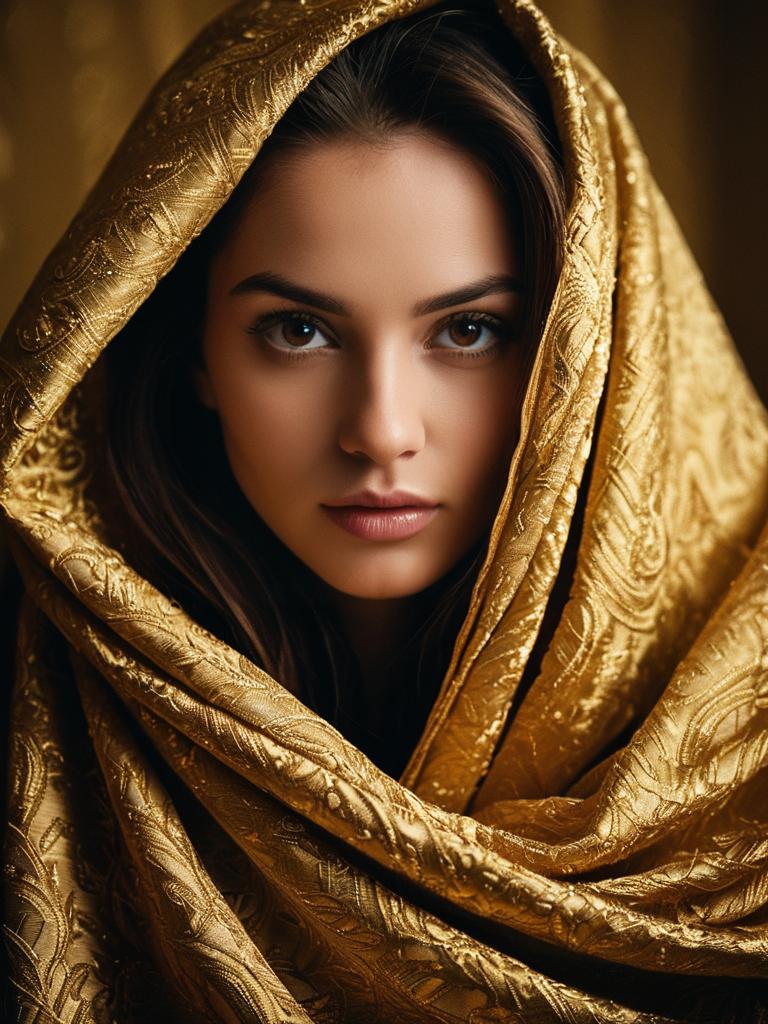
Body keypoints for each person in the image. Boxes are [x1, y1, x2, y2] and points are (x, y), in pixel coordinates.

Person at [1, 0, 766, 1021]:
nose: (381, 430)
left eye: (470, 330)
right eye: (300, 330)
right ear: (193, 353)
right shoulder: (43, 682)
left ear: (593, 359)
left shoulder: (741, 719)